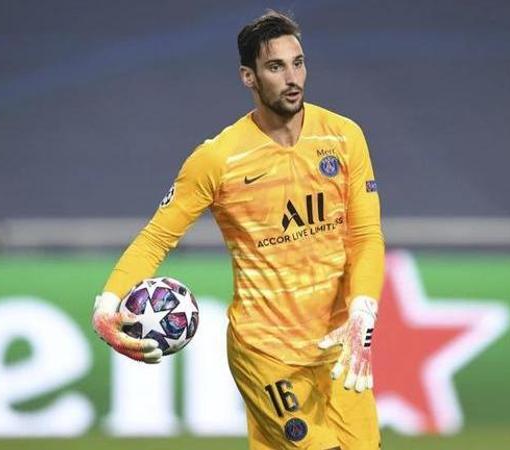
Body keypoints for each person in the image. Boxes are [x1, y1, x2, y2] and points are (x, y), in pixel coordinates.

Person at [91, 10, 384, 450]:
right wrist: (106, 305)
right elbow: (157, 237)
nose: (292, 78)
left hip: (337, 350)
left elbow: (365, 236)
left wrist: (363, 308)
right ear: (248, 77)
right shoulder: (218, 159)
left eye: (298, 62)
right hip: (265, 352)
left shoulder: (344, 137)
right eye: (275, 66)